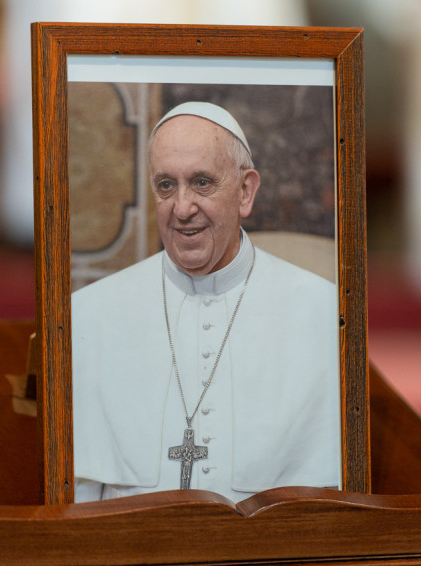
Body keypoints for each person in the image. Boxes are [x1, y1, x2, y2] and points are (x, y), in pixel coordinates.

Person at [72, 102, 340, 503]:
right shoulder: (91, 313)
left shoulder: (322, 312)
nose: (182, 208)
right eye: (166, 185)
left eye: (201, 182)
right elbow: (78, 503)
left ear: (245, 192)